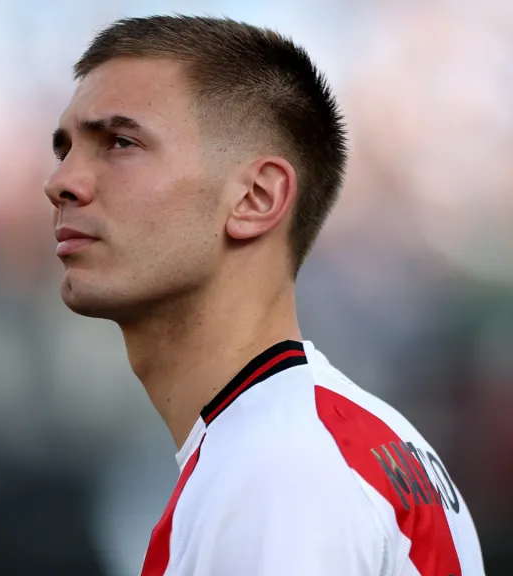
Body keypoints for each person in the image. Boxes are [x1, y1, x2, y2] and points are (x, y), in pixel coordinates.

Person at [45, 14, 485, 576]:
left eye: (121, 143)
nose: (60, 181)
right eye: (65, 150)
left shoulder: (279, 468)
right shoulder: (312, 439)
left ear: (256, 198)